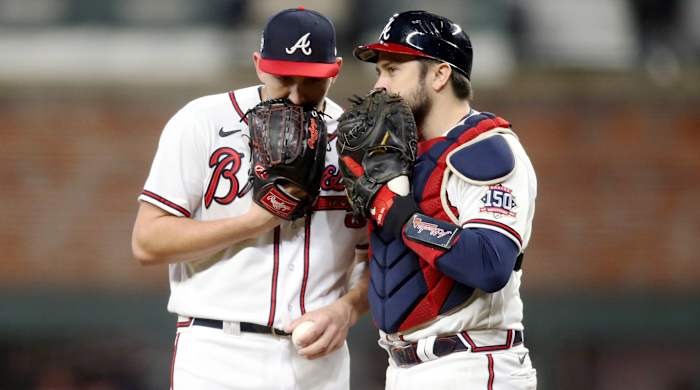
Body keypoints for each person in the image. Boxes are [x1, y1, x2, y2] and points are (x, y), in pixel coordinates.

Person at [131, 7, 369, 390]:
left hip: (316, 358)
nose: (294, 95)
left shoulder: (357, 141)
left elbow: (374, 255)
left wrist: (349, 308)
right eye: (283, 78)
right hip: (217, 349)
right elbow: (147, 242)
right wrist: (256, 221)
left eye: (309, 81)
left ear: (335, 69)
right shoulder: (202, 121)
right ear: (258, 64)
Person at [350, 10, 538, 389]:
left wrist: (399, 213)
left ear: (439, 74)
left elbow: (489, 264)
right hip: (401, 366)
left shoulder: (486, 150)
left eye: (392, 69)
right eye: (378, 72)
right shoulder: (396, 154)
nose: (378, 86)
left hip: (471, 362)